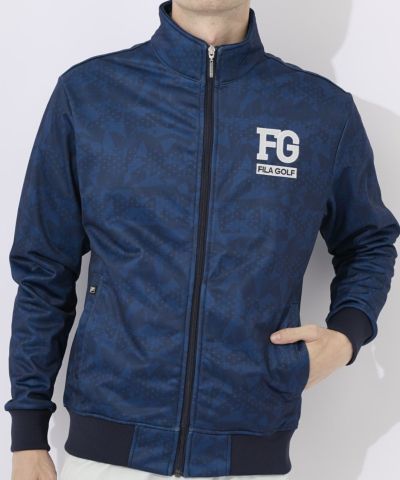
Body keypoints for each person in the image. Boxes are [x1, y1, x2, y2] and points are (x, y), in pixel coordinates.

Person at [5, 0, 400, 479]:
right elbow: (44, 269)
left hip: (250, 451)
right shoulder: (91, 95)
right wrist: (28, 432)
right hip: (105, 454)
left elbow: (368, 241)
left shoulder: (319, 111)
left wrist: (346, 336)